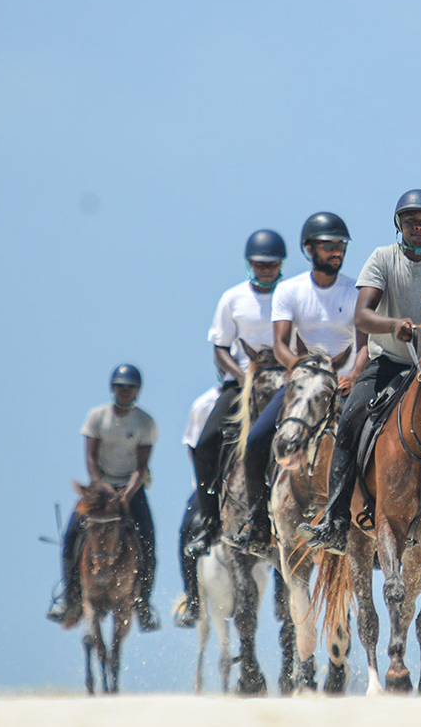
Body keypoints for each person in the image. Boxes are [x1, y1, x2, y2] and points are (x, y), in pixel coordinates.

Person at [301, 190, 421, 555]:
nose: (418, 227)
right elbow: (362, 314)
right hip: (390, 363)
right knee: (349, 420)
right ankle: (336, 519)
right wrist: (393, 323)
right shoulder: (382, 258)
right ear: (398, 224)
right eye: (411, 221)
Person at [230, 212, 366, 548]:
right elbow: (279, 343)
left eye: (341, 245)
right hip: (304, 381)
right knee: (256, 441)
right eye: (329, 244)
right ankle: (259, 522)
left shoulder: (356, 291)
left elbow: (363, 347)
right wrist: (303, 370)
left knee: (369, 440)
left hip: (344, 381)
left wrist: (352, 374)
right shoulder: (290, 290)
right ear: (308, 249)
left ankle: (364, 520)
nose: (337, 250)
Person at [174, 228, 286, 628]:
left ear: (282, 265)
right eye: (260, 265)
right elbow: (219, 347)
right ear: (249, 265)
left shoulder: (290, 294)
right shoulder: (232, 298)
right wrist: (241, 375)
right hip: (241, 383)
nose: (267, 271)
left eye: (272, 265)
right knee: (205, 442)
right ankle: (209, 517)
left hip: (285, 381)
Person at [47, 364, 161, 631]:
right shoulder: (97, 417)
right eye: (120, 387)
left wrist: (127, 494)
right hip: (99, 489)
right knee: (72, 536)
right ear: (112, 388)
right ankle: (69, 598)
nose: (124, 392)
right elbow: (90, 458)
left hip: (131, 490)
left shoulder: (145, 422)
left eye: (130, 388)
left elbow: (141, 467)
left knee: (148, 542)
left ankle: (143, 604)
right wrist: (101, 488)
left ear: (137, 391)